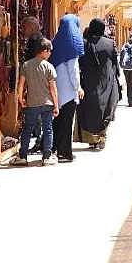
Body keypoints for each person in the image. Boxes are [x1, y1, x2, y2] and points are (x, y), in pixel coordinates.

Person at [11, 39, 59, 166]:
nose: (50, 54)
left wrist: (21, 99)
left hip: (32, 103)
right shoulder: (49, 66)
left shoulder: (26, 65)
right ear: (44, 51)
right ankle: (47, 156)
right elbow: (53, 88)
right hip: (47, 103)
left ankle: (22, 156)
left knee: (27, 129)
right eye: (50, 52)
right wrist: (56, 105)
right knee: (48, 129)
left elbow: (20, 84)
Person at [77, 19, 119, 150]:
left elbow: (79, 63)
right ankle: (102, 135)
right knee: (107, 107)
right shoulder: (110, 43)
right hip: (107, 81)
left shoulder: (83, 44)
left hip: (88, 82)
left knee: (90, 110)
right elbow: (115, 63)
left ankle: (93, 139)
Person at [49, 15, 84, 162]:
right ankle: (65, 153)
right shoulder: (72, 47)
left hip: (57, 91)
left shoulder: (56, 43)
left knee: (58, 122)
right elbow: (73, 71)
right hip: (69, 92)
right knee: (67, 123)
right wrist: (78, 87)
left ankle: (56, 150)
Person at [22, 16, 46, 153]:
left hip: (37, 81)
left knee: (38, 114)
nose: (23, 31)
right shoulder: (35, 41)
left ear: (32, 28)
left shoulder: (39, 42)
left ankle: (41, 141)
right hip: (34, 81)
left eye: (25, 28)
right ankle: (40, 141)